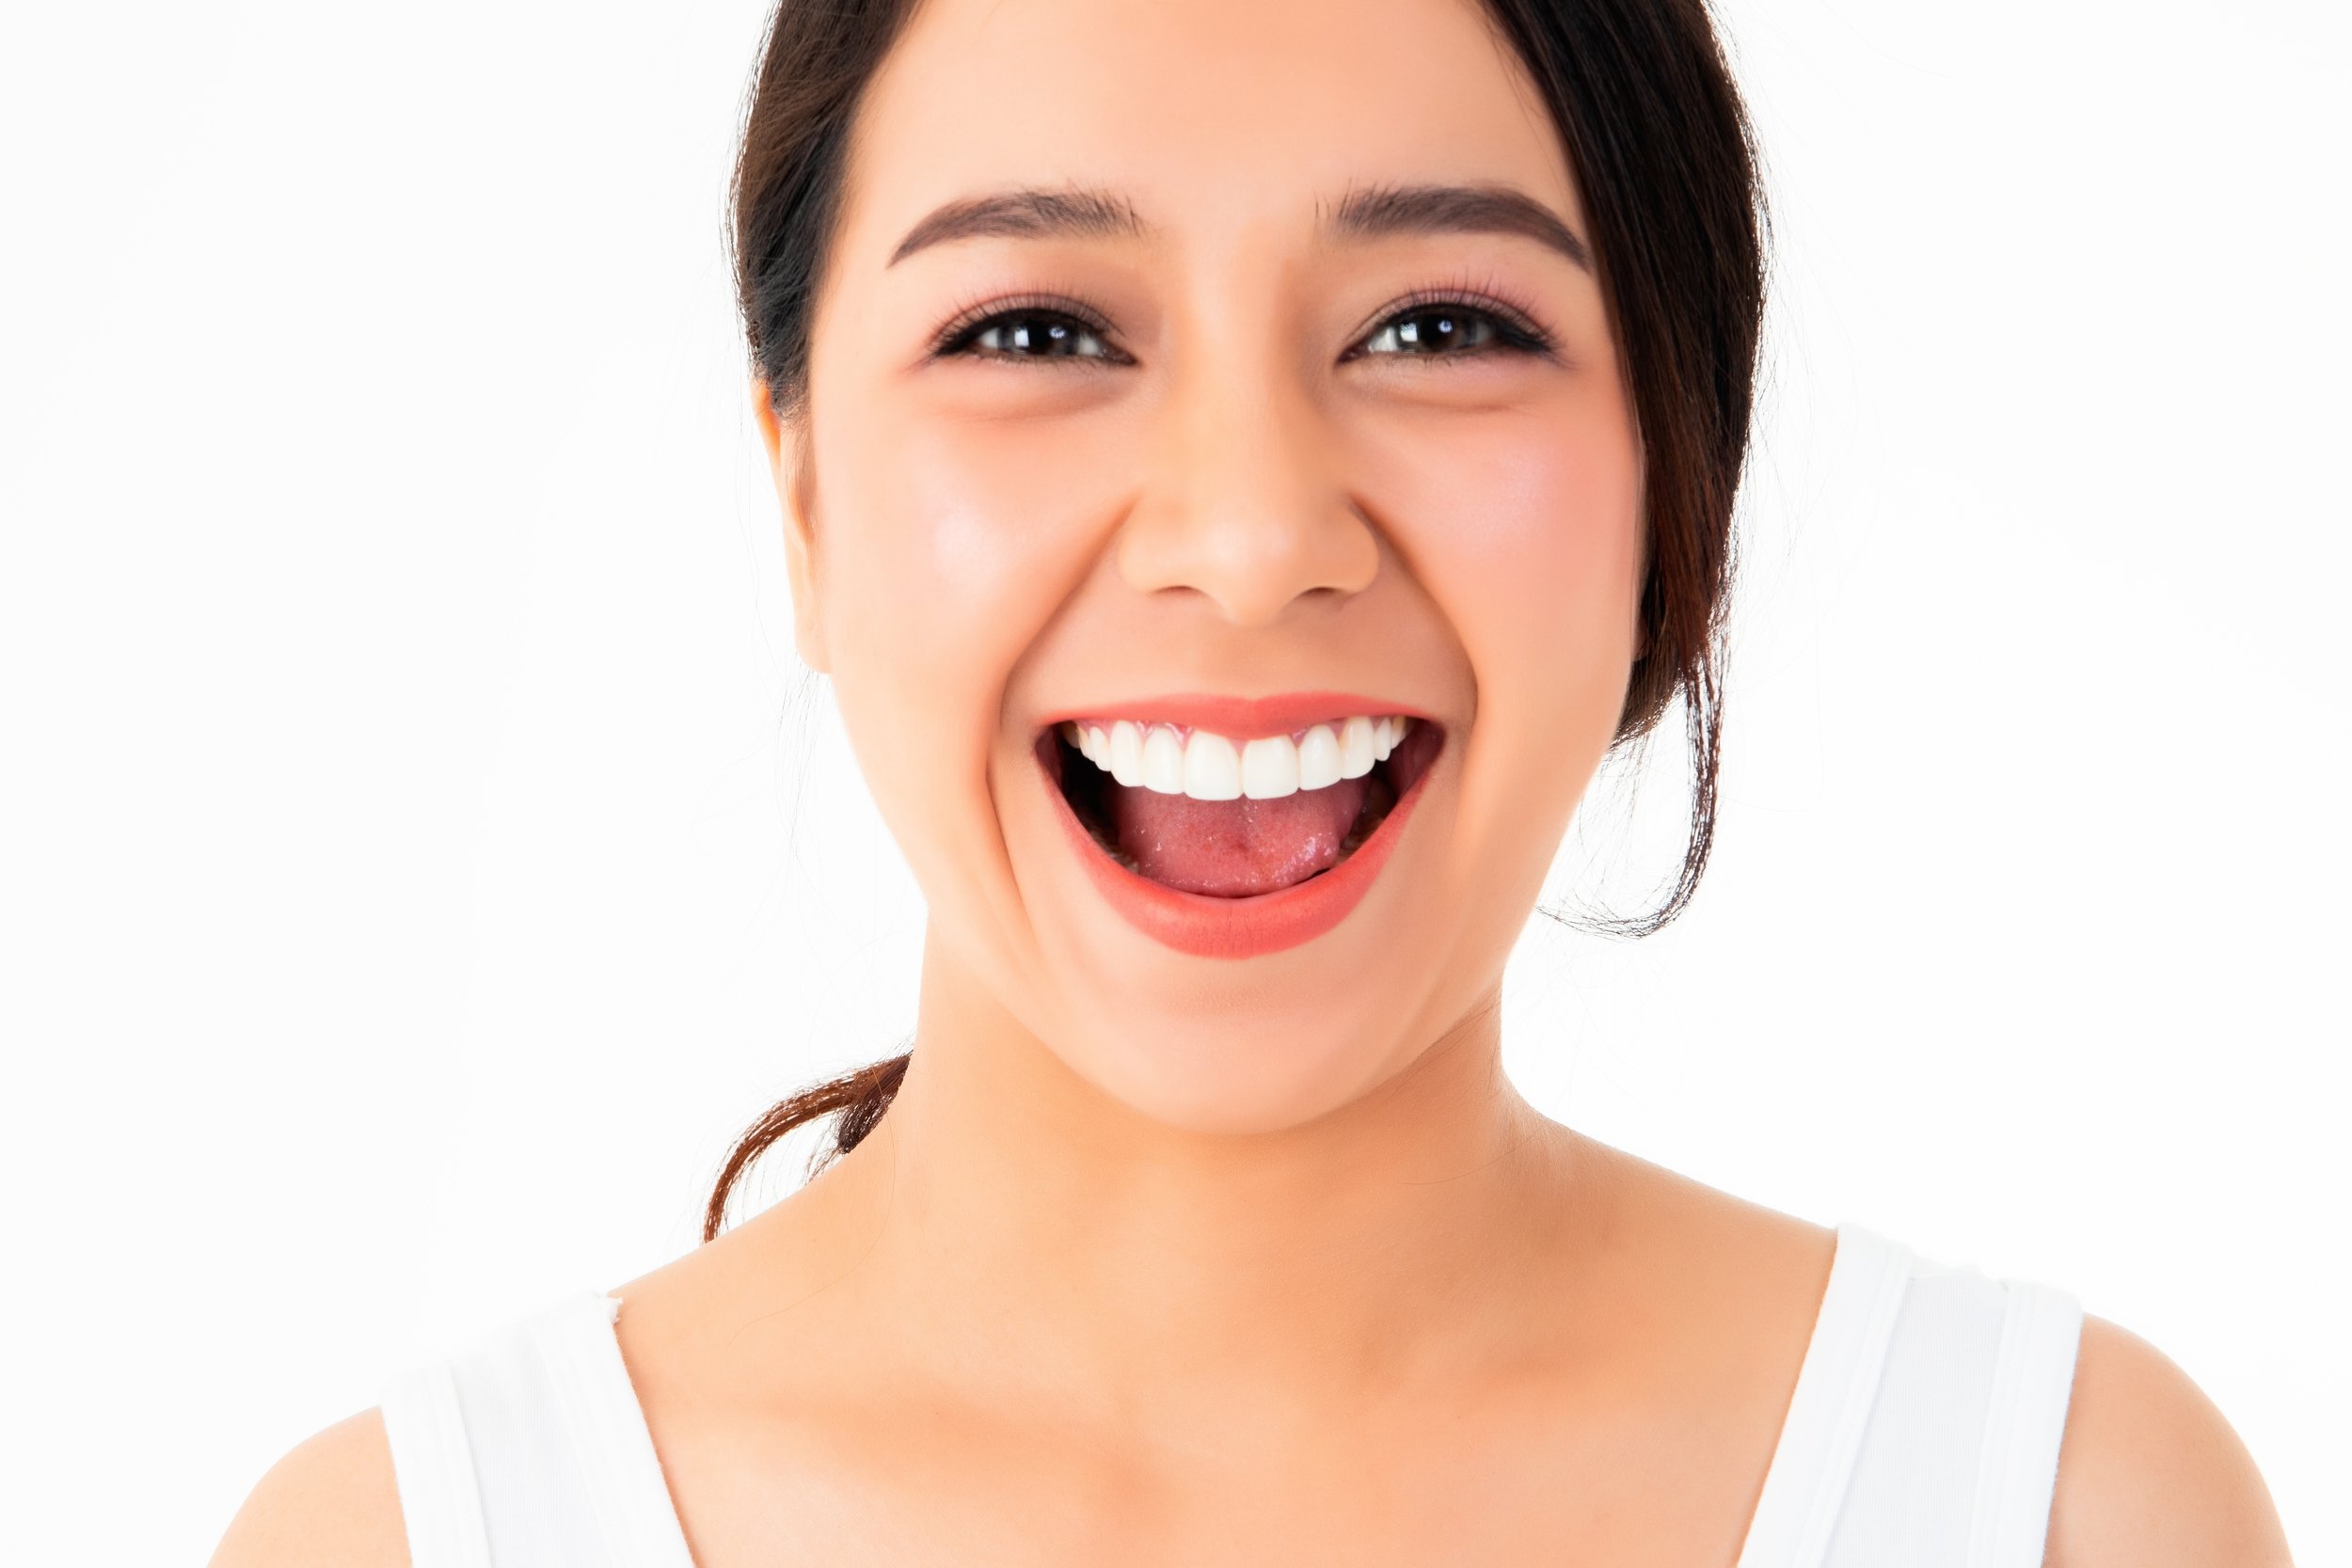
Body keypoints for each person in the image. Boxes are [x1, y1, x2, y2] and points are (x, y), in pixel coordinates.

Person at [210, 0, 2293, 1562]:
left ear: (1677, 490)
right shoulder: (402, 1542)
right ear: (804, 498)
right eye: (1032, 333)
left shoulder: (2054, 1511)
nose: (1246, 528)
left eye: (1436, 323)